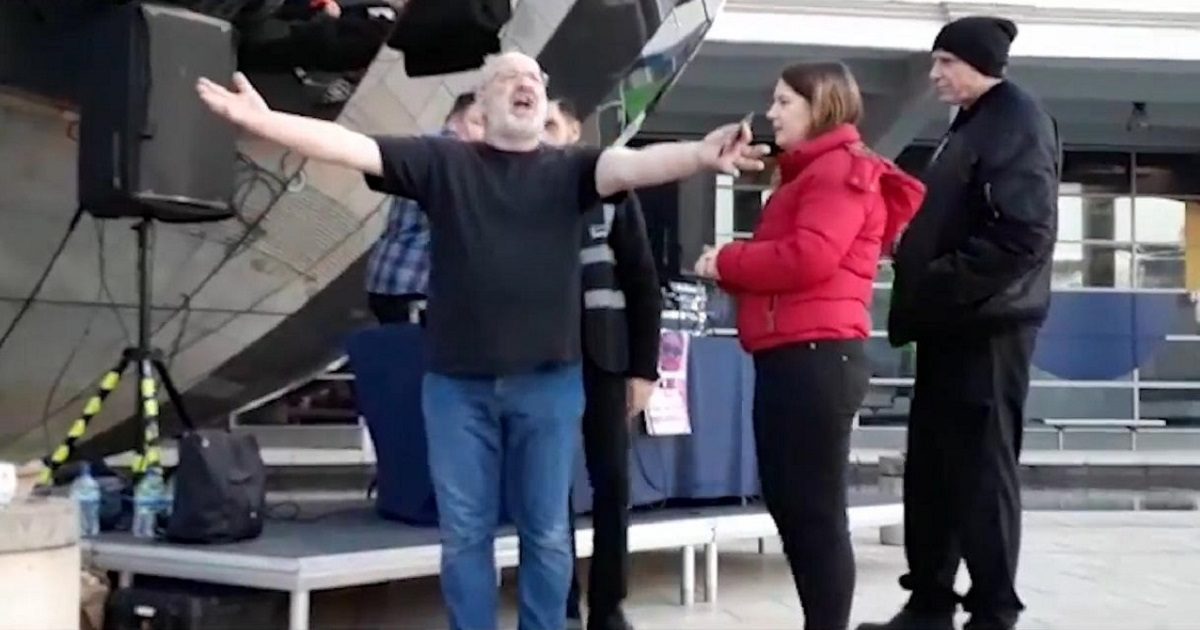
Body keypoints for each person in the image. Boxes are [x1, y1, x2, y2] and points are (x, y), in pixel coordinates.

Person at [196, 51, 767, 630]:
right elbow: (352, 147)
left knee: (546, 531)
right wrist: (266, 122)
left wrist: (700, 155)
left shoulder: (573, 169)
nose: (525, 83)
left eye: (534, 79)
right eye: (509, 78)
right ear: (483, 105)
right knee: (465, 533)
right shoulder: (444, 162)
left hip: (548, 384)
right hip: (456, 387)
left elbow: (637, 165)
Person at [694, 62, 925, 630]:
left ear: (820, 104)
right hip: (796, 355)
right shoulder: (808, 174)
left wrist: (727, 260)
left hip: (816, 356)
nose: (771, 113)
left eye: (784, 102)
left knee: (814, 513)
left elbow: (809, 257)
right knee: (796, 506)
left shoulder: (837, 171)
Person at [859, 16, 1059, 630]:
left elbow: (1024, 234)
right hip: (953, 323)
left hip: (987, 325)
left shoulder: (1016, 121)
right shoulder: (973, 123)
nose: (935, 74)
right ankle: (930, 602)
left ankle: (994, 609)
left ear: (982, 64)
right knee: (935, 467)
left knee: (980, 468)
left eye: (947, 62)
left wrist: (939, 276)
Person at [542, 100, 661, 630]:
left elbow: (643, 283)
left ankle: (609, 606)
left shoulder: (612, 191)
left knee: (612, 484)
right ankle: (561, 603)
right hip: (540, 364)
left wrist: (644, 370)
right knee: (548, 490)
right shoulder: (515, 196)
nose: (543, 135)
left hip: (604, 362)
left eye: (552, 125)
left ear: (573, 131)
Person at [365, 92, 483, 325]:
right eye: (481, 122)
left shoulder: (427, 148)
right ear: (461, 118)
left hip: (390, 274)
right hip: (414, 283)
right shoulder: (453, 154)